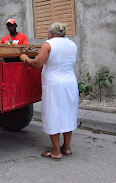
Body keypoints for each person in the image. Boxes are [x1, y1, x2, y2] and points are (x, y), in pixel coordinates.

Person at [20, 22, 78, 161]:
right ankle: (67, 147)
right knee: (68, 113)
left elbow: (37, 64)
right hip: (70, 82)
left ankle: (56, 151)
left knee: (53, 113)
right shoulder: (72, 44)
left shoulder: (48, 44)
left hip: (54, 84)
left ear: (51, 33)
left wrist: (25, 58)